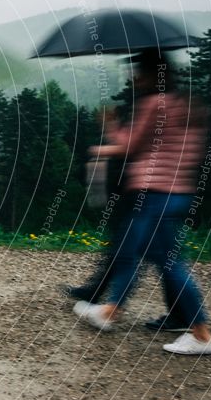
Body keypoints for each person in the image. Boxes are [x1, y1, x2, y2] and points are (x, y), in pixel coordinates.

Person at [74, 50, 211, 354]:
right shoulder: (189, 106)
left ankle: (202, 335)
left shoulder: (155, 104)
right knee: (135, 253)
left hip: (154, 193)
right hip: (177, 194)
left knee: (168, 263)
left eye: (139, 71)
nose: (133, 77)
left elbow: (130, 145)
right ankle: (111, 310)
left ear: (153, 74)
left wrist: (106, 133)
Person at [67, 103, 187, 333]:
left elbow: (133, 148)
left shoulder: (155, 115)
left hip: (151, 197)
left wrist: (104, 144)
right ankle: (100, 297)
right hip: (149, 197)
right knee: (137, 254)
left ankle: (111, 309)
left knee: (155, 259)